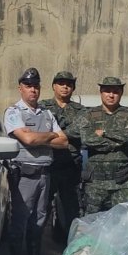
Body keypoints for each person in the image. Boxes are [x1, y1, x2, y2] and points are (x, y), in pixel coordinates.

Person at [4, 68, 68, 255]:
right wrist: (50, 136)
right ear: (20, 88)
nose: (33, 90)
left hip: (44, 174)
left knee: (39, 219)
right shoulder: (14, 112)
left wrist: (40, 136)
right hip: (25, 175)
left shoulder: (47, 114)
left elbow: (64, 141)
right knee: (20, 220)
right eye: (28, 86)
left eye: (36, 86)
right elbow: (28, 140)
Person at [67, 77, 128, 214]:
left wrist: (104, 133)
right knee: (92, 222)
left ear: (121, 93)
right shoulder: (88, 115)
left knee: (124, 222)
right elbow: (86, 138)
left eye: (115, 91)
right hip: (95, 184)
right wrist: (116, 142)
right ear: (101, 92)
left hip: (122, 184)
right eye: (107, 91)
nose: (111, 95)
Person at [39, 71, 85, 237]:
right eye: (61, 83)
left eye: (69, 84)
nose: (65, 87)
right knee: (41, 207)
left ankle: (70, 243)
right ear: (54, 86)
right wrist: (59, 136)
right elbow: (37, 130)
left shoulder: (80, 110)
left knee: (72, 208)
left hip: (70, 166)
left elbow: (80, 131)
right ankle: (37, 244)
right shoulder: (42, 107)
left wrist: (51, 135)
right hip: (47, 165)